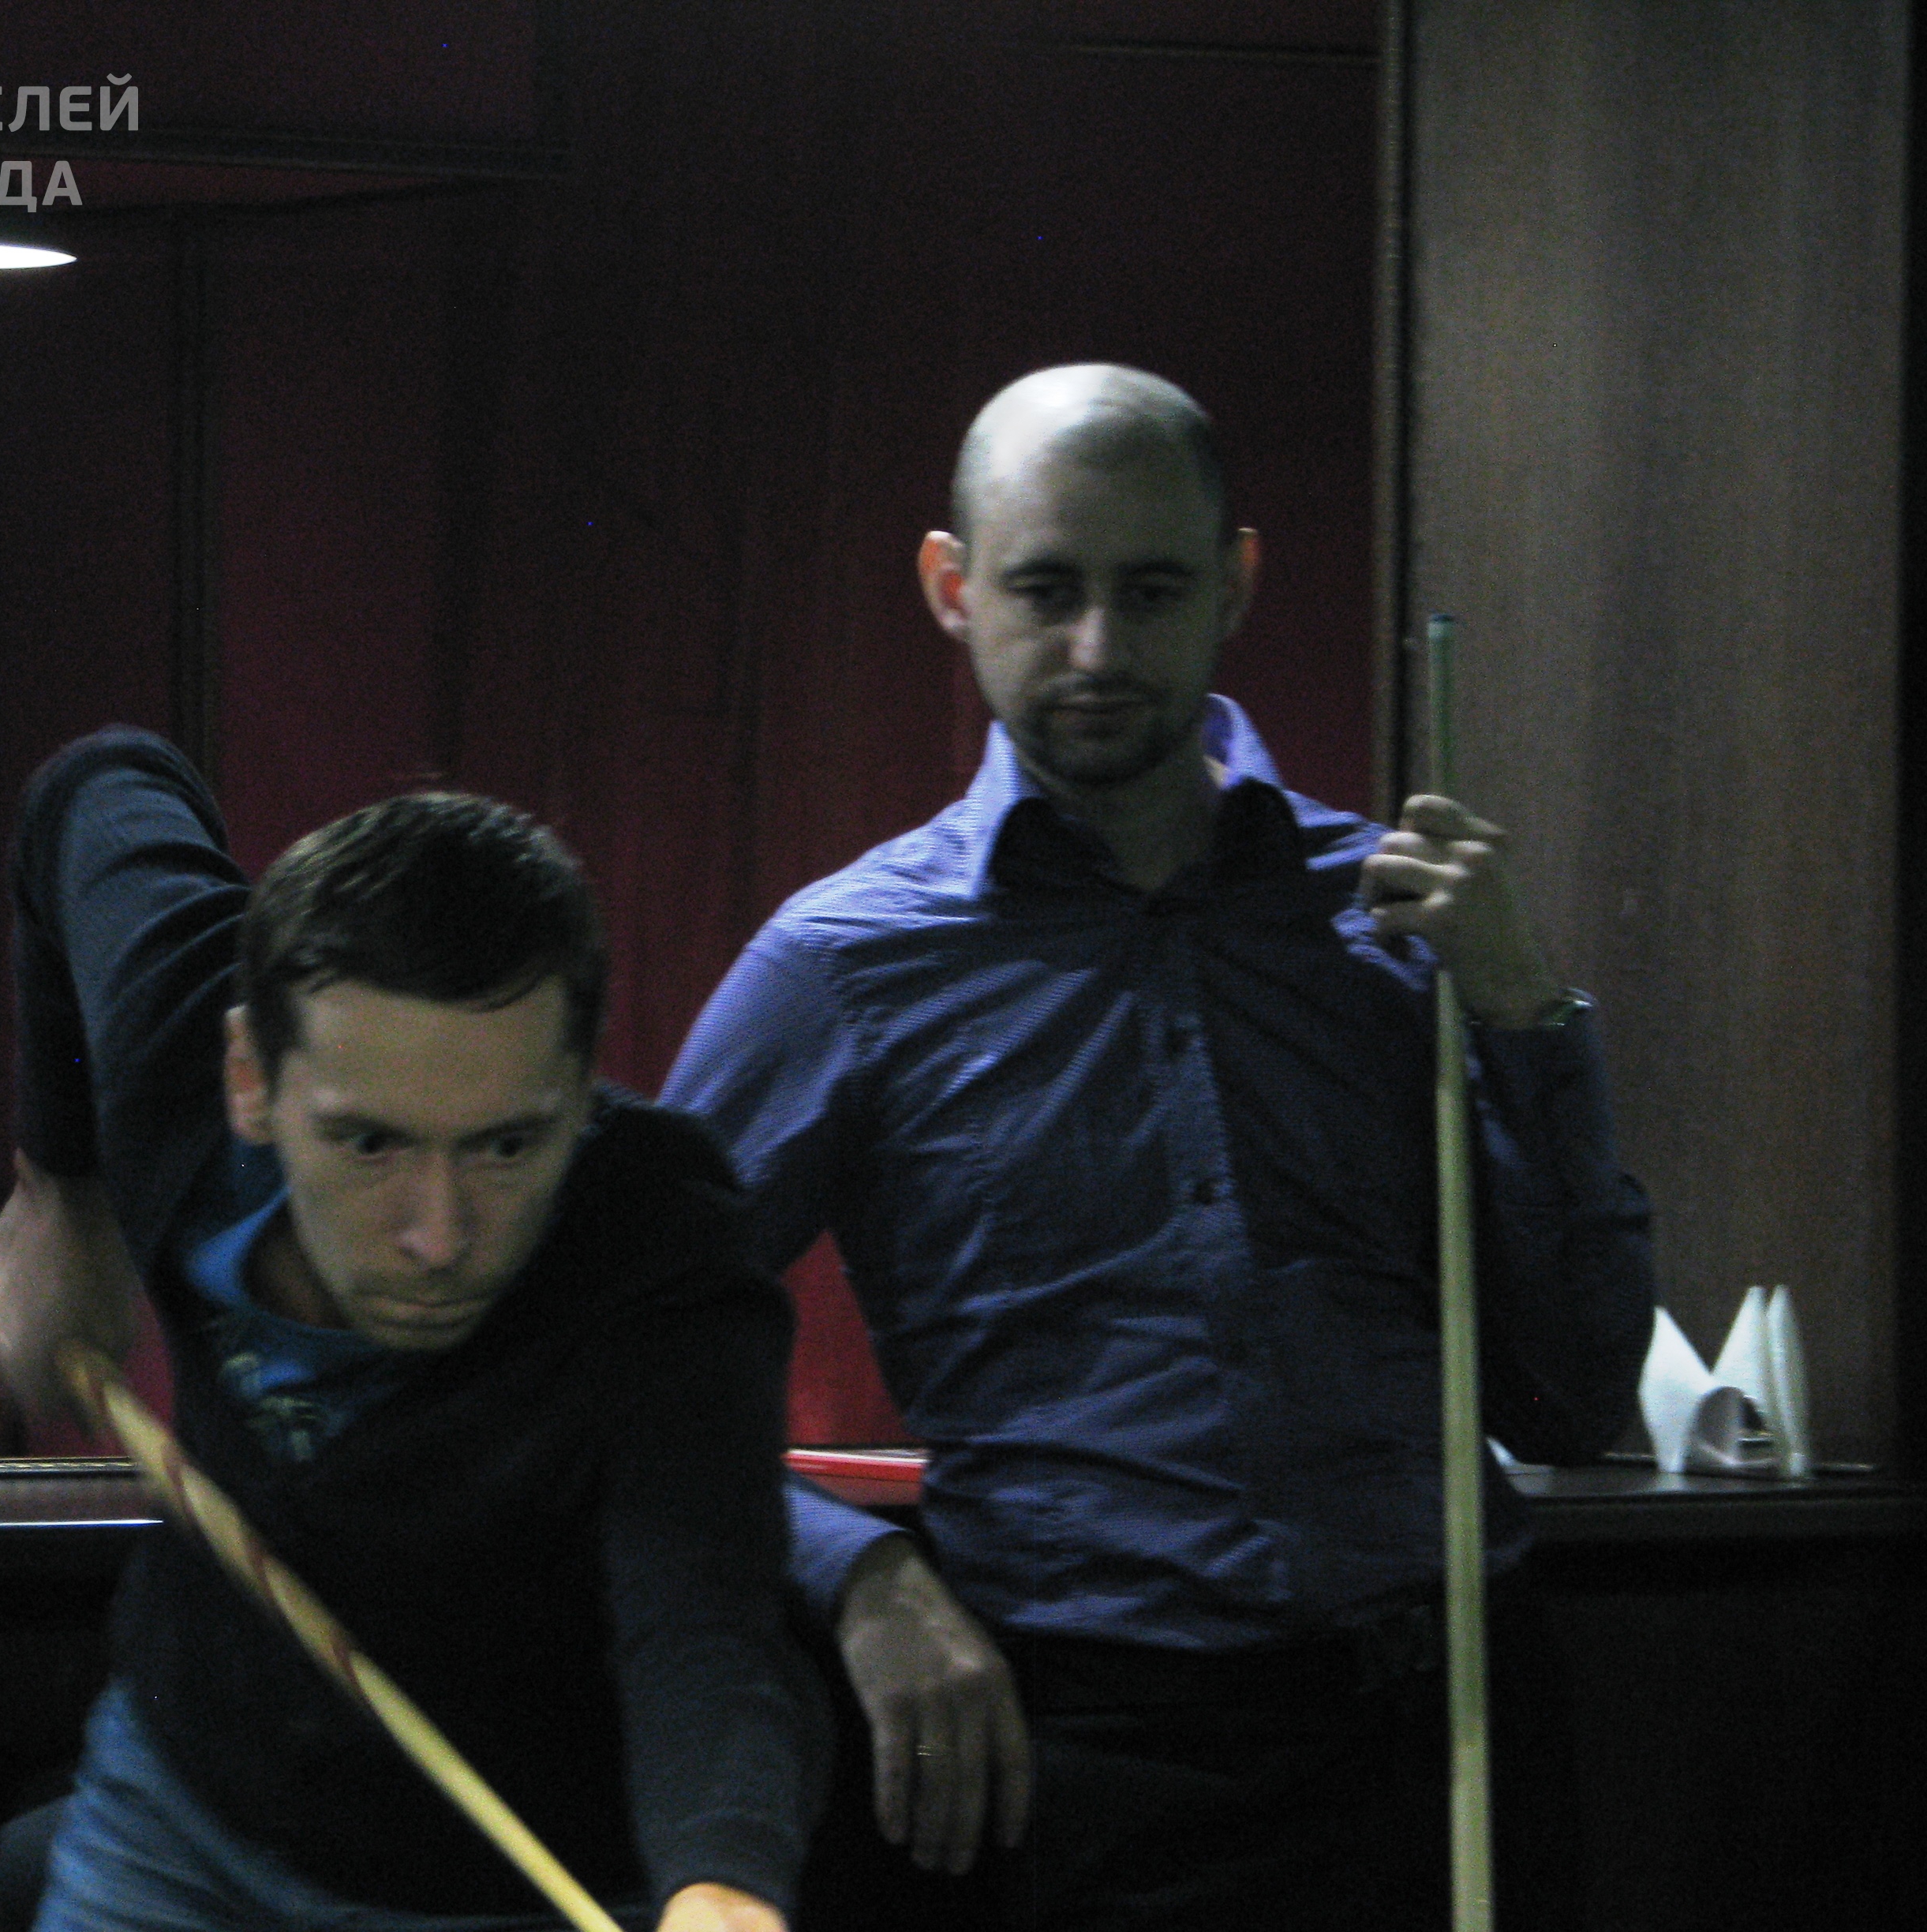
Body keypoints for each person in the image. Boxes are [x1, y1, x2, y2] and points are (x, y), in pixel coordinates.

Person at [662, 365, 1655, 1930]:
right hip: (1097, 1772)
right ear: (951, 587)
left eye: (1153, 591)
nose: (1098, 650)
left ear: (1237, 584)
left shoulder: (1394, 922)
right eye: (1045, 590)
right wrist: (859, 1574)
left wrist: (1528, 1015)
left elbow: (1580, 1396)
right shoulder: (843, 964)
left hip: (1450, 1737)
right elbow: (617, 1350)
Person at [0, 728, 827, 1932]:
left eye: (507, 1145)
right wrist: (63, 1190)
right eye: (369, 1144)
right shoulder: (174, 1040)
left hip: (511, 1876)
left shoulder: (662, 1252)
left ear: (580, 1089)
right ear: (250, 1079)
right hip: (183, 1805)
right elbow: (94, 785)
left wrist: (721, 1884)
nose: (438, 1236)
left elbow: (703, 1619)